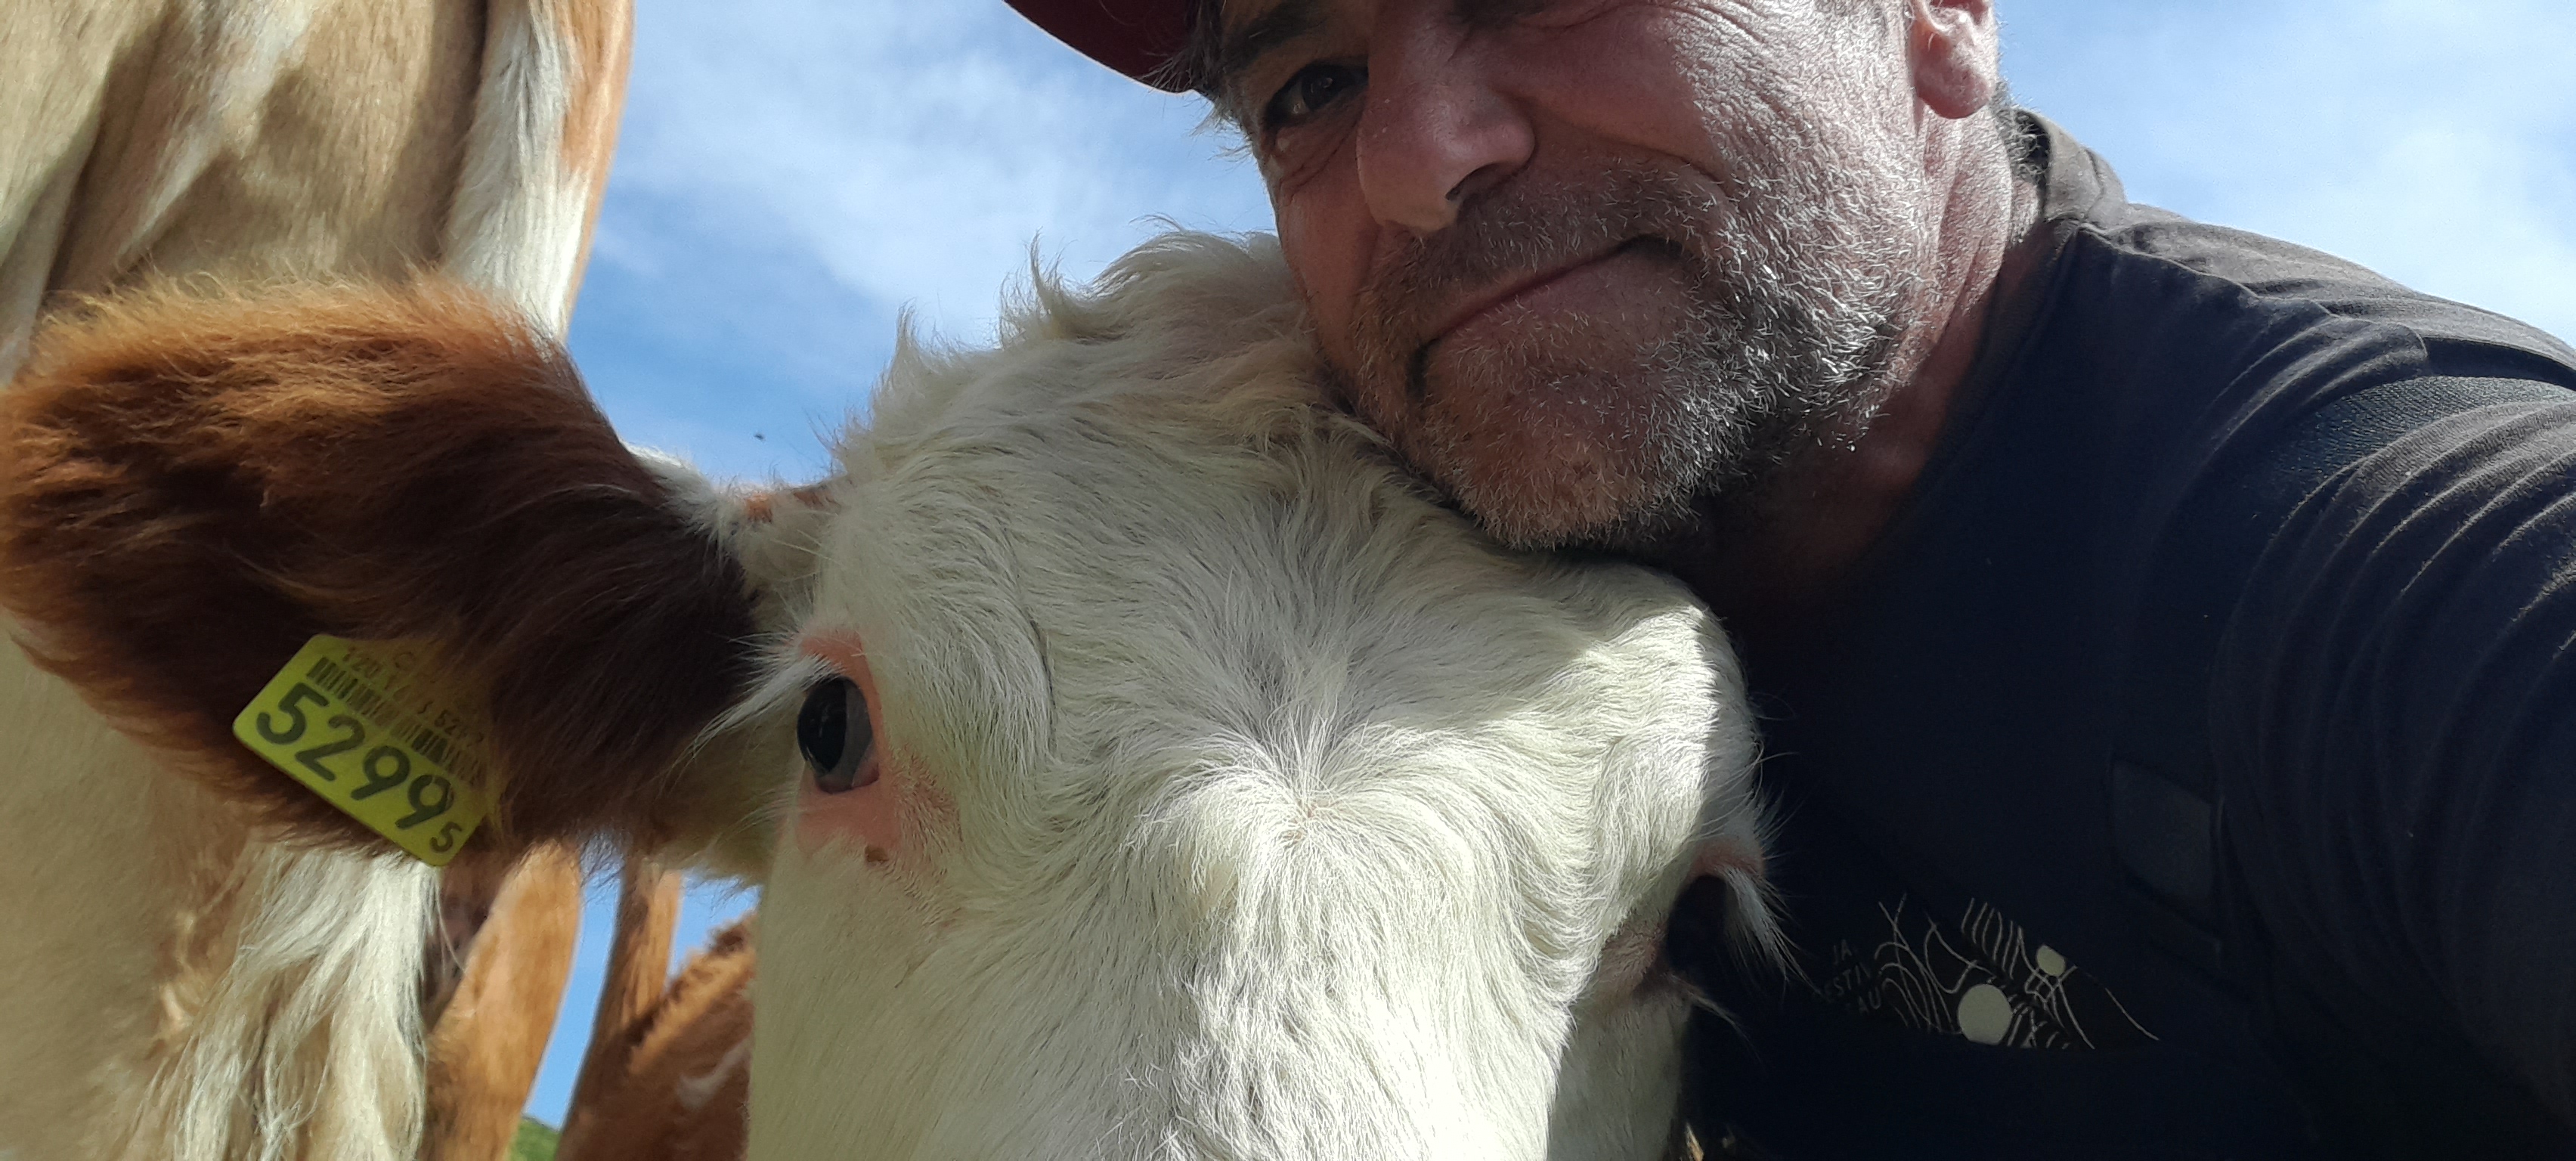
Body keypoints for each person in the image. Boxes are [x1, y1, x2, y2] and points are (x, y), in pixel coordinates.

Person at [1004, 1, 2576, 1156]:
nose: (1417, 160)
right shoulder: (1397, 590)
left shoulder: (2357, 547)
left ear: (1940, 18)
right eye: (1309, 88)